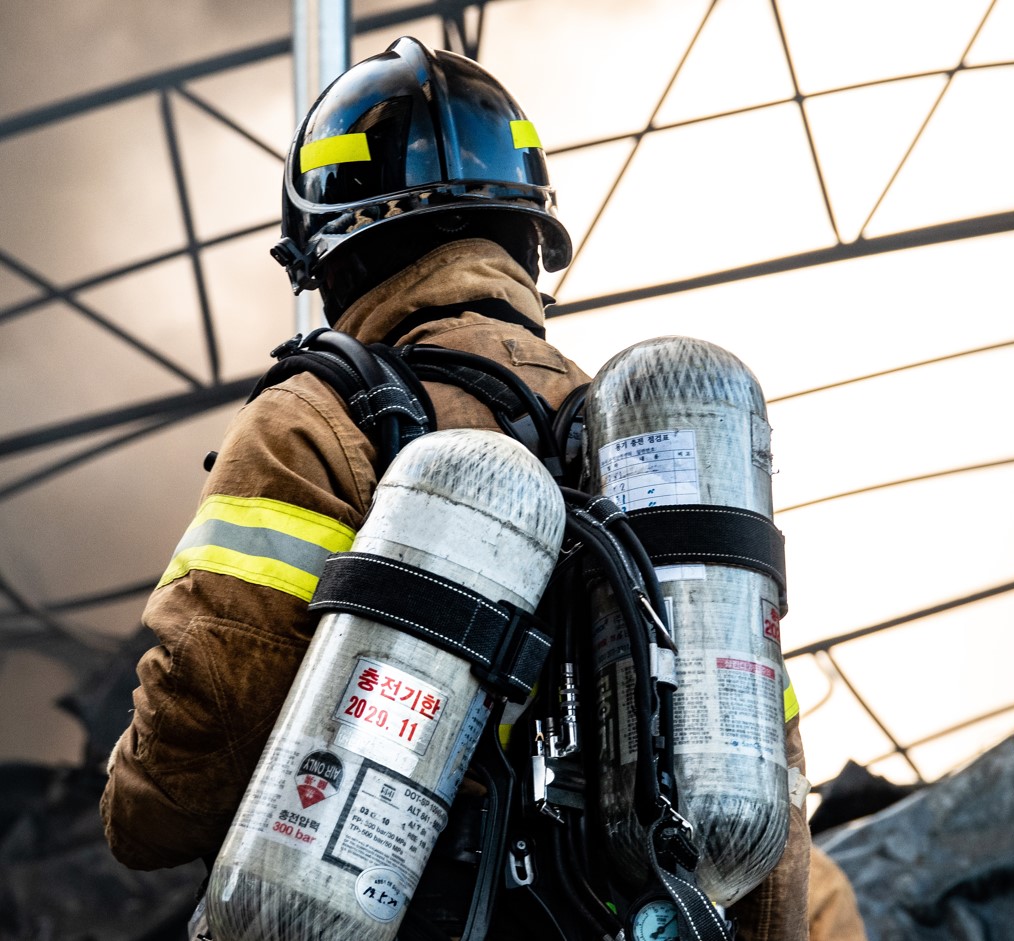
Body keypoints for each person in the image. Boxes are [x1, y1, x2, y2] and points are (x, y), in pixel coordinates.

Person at [101, 35, 822, 941]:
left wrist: (128, 801)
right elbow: (765, 782)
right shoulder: (655, 461)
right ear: (528, 239)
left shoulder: (308, 424)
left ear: (329, 260)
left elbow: (189, 758)